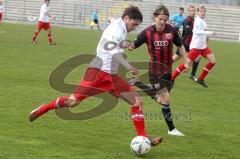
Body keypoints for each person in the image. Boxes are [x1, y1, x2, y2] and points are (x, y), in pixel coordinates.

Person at [29, 6, 162, 146]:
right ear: (126, 19)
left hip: (111, 76)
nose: (134, 28)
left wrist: (117, 32)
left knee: (137, 101)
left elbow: (113, 22)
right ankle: (44, 108)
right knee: (72, 102)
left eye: (137, 25)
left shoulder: (119, 25)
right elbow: (113, 50)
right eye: (134, 24)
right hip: (97, 73)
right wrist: (129, 66)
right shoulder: (117, 30)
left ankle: (143, 137)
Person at [128, 5, 188, 136]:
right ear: (155, 18)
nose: (162, 22)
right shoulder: (147, 32)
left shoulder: (171, 30)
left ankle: (137, 83)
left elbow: (180, 45)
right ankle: (171, 129)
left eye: (165, 19)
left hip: (167, 70)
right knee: (166, 98)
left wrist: (186, 61)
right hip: (155, 71)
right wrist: (130, 46)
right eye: (160, 19)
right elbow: (134, 44)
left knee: (160, 100)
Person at [171, 5, 216, 88]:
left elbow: (203, 30)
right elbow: (195, 31)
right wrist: (209, 33)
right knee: (186, 64)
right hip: (195, 47)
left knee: (213, 61)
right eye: (201, 11)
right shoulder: (197, 21)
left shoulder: (202, 21)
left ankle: (201, 78)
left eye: (204, 11)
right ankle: (172, 78)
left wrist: (206, 36)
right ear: (198, 13)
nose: (202, 13)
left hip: (203, 47)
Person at [172, 5, 199, 81]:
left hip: (191, 45)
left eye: (194, 11)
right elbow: (188, 32)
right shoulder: (187, 20)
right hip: (184, 44)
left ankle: (192, 75)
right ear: (188, 12)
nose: (193, 12)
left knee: (197, 58)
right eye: (191, 11)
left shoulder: (194, 20)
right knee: (175, 58)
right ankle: (164, 67)